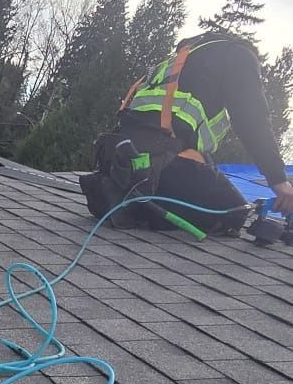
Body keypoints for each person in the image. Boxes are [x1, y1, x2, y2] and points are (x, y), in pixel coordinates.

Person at [80, 28, 293, 233]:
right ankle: (144, 207)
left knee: (206, 172)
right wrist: (278, 181)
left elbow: (179, 135)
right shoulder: (240, 56)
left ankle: (130, 199)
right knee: (233, 212)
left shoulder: (184, 61)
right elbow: (252, 119)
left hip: (123, 163)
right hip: (161, 166)